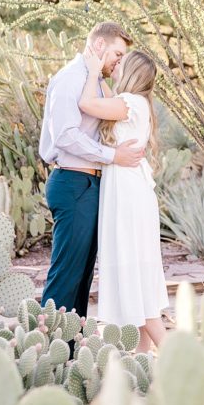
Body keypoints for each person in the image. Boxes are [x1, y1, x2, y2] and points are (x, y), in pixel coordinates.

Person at [38, 22, 145, 318]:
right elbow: (65, 135)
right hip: (73, 182)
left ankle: (70, 354)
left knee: (82, 279)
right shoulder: (71, 78)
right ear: (99, 46)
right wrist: (113, 156)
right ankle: (45, 353)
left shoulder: (95, 82)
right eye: (117, 54)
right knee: (65, 276)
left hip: (90, 186)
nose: (119, 61)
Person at [78, 47, 169, 352]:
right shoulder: (136, 104)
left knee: (135, 284)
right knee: (136, 279)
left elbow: (87, 103)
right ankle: (142, 365)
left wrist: (92, 71)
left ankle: (181, 362)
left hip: (128, 197)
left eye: (122, 62)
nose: (116, 64)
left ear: (131, 72)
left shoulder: (130, 103)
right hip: (130, 191)